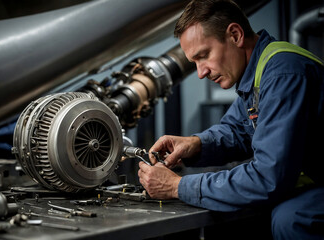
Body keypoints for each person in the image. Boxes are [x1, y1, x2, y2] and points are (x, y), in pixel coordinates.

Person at [137, 0, 324, 239]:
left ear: (235, 35)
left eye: (203, 56)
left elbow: (268, 178)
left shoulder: (283, 74)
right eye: (194, 62)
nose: (201, 72)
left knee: (291, 219)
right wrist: (195, 145)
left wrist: (176, 186)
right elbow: (236, 130)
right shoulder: (258, 73)